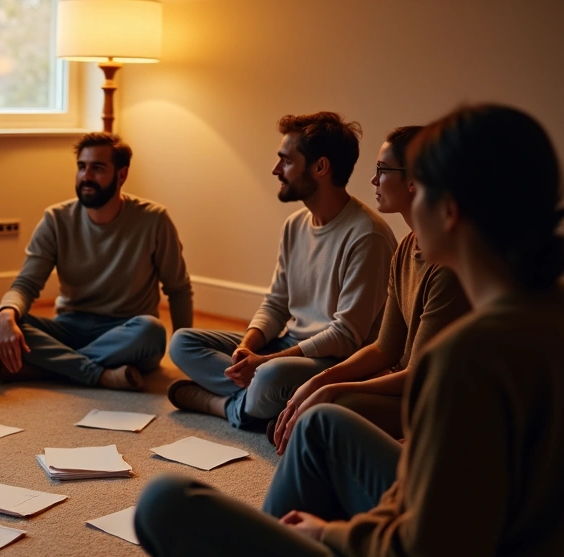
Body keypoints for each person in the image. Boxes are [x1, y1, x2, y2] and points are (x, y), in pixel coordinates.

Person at [135, 104, 564, 557]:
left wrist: (329, 535)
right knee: (321, 427)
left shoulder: (468, 355)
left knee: (165, 503)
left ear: (452, 210)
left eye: (420, 189)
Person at [167, 112, 396, 434]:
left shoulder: (367, 235)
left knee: (270, 376)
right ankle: (263, 405)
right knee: (182, 342)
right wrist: (246, 349)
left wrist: (265, 363)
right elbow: (276, 304)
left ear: (320, 167)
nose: (276, 170)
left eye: (286, 161)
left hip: (332, 360)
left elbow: (346, 336)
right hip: (287, 344)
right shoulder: (295, 225)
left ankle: (220, 405)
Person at [269, 126, 470, 452]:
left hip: (428, 400)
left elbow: (417, 377)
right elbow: (383, 349)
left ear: (413, 181)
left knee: (320, 415)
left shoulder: (447, 265)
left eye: (382, 170)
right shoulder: (406, 247)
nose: (374, 181)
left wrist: (330, 390)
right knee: (308, 406)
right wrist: (321, 380)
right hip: (400, 383)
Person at [0, 132, 193, 391]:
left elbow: (178, 289)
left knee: (151, 330)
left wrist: (187, 354)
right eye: (82, 167)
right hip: (68, 328)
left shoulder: (154, 220)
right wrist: (7, 313)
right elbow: (26, 283)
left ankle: (46, 367)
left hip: (126, 332)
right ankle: (96, 373)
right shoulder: (56, 219)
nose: (86, 176)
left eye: (98, 168)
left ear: (122, 175)